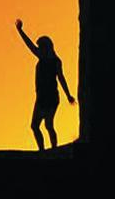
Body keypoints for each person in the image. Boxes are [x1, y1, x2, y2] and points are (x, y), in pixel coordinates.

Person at [15, 19, 74, 150]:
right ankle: (43, 150)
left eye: (41, 46)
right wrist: (20, 31)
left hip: (50, 97)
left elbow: (61, 78)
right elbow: (30, 46)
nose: (39, 49)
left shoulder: (54, 61)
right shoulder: (48, 59)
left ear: (46, 47)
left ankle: (52, 149)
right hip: (42, 97)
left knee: (46, 125)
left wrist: (68, 95)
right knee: (36, 126)